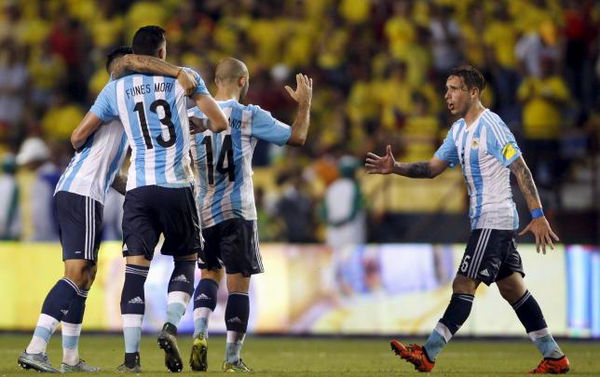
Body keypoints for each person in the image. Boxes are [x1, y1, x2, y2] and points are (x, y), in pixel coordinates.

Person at [365, 65, 570, 374]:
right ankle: (554, 355)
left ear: (473, 93)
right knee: (513, 289)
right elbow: (433, 168)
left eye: (454, 89)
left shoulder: (491, 126)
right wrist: (396, 168)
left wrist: (538, 215)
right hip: (484, 220)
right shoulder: (459, 130)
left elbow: (521, 169)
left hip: (495, 217)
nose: (447, 95)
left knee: (464, 282)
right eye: (446, 89)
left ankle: (428, 353)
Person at [17, 45, 200, 373]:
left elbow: (112, 171)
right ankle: (35, 347)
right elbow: (76, 136)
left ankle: (70, 358)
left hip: (85, 190)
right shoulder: (116, 92)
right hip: (82, 191)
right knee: (76, 273)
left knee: (87, 275)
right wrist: (178, 72)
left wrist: (135, 190)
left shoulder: (125, 105)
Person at [70, 26, 228, 373]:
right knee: (186, 260)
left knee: (135, 271)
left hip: (139, 188)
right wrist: (195, 124)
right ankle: (171, 326)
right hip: (177, 185)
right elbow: (219, 122)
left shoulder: (115, 88)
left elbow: (78, 136)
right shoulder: (185, 79)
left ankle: (131, 360)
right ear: (162, 53)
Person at [187, 57, 312, 372]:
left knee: (208, 274)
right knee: (238, 285)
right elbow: (297, 138)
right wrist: (304, 104)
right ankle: (231, 358)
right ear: (243, 81)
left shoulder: (191, 115)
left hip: (202, 210)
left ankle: (199, 334)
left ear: (216, 81)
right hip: (239, 209)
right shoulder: (249, 115)